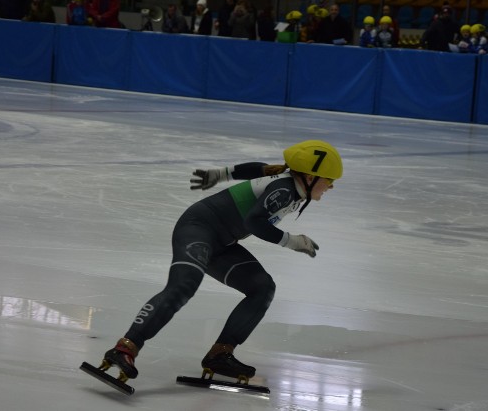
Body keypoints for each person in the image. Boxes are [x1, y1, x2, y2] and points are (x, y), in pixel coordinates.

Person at [92, 140, 343, 384]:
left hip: (223, 243)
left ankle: (220, 355)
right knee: (183, 286)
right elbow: (254, 222)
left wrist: (222, 173)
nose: (331, 187)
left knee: (262, 287)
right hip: (198, 229)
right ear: (310, 178)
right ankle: (124, 349)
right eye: (329, 180)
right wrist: (291, 241)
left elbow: (260, 169)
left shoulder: (287, 180)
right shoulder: (285, 190)